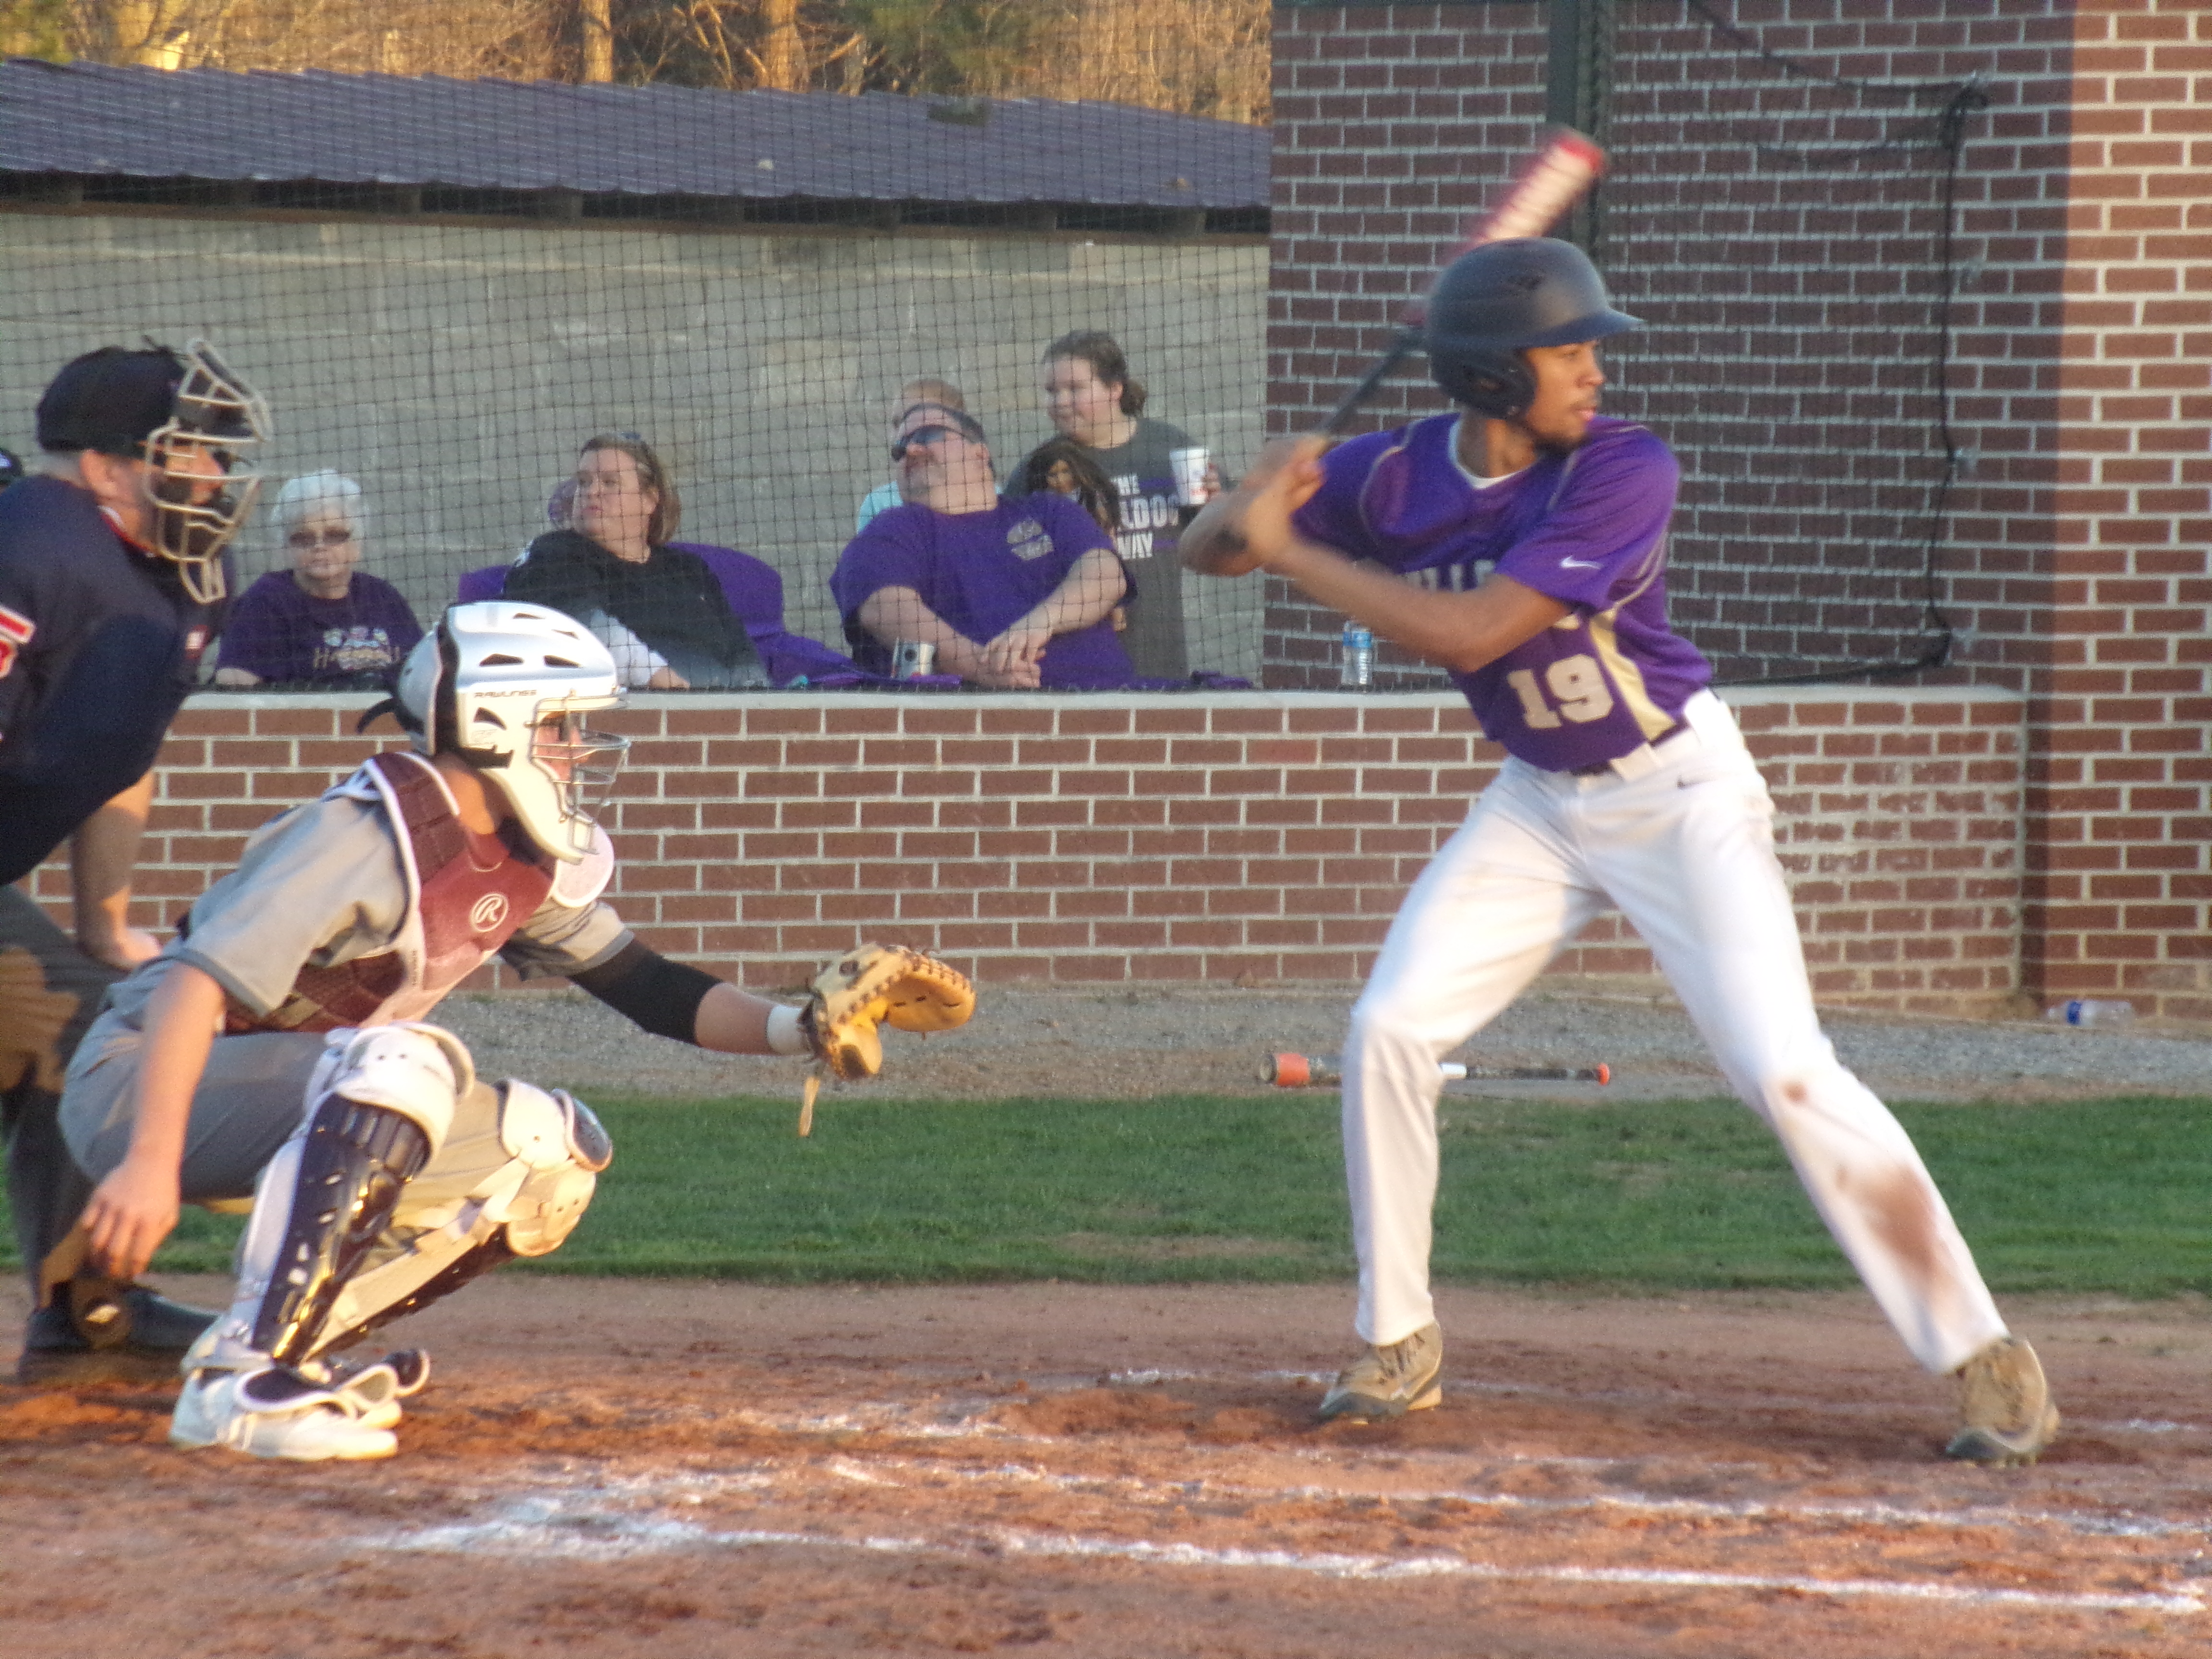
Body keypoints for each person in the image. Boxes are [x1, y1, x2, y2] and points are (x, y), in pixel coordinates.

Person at [1179, 238, 2059, 1468]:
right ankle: (1397, 1338)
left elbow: (1472, 630)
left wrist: (1290, 548)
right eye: (1568, 348)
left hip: (1681, 793)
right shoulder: (1388, 478)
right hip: (1539, 802)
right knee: (1388, 1029)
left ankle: (1981, 1352)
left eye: (1593, 346)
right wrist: (1255, 500)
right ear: (1492, 379)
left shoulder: (1625, 467)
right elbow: (1201, 553)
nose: (1595, 369)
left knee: (1784, 1070)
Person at [56, 601, 948, 1460]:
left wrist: (799, 1029)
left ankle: (272, 1341)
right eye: (561, 726)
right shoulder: (365, 832)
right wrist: (146, 1163)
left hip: (280, 1092)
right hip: (140, 1089)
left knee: (550, 1153)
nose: (579, 748)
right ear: (496, 722)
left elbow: (646, 984)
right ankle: (242, 1385)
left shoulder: (515, 846)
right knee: (412, 1059)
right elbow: (189, 990)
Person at [1, 340, 269, 1384]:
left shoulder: (184, 571)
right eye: (191, 450)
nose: (213, 473)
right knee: (56, 1023)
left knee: (86, 1018)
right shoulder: (32, 546)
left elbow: (117, 760)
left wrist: (107, 926)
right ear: (109, 465)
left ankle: (87, 1316)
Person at [831, 404, 1135, 690]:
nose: (910, 450)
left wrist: (1040, 622)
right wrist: (982, 667)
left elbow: (1106, 576)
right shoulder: (890, 530)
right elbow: (885, 609)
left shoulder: (1048, 511)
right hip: (973, 722)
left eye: (928, 436)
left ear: (980, 452)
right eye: (901, 448)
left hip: (1105, 708)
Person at [1009, 331, 1218, 680]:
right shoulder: (1041, 470)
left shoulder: (1171, 450)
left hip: (1159, 658)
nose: (1060, 401)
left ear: (1115, 388)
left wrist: (1220, 507)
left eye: (1075, 389)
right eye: (1052, 391)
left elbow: (1225, 545)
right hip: (1073, 661)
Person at [505, 434, 768, 690]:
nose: (591, 492)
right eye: (584, 482)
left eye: (610, 483)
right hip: (634, 710)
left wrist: (753, 698)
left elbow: (739, 648)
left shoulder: (688, 569)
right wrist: (662, 682)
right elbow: (579, 632)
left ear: (650, 500)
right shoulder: (554, 554)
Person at [212, 471, 422, 688]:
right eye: (304, 538)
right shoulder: (265, 602)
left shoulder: (383, 598)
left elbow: (420, 673)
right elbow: (233, 685)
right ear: (287, 548)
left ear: (356, 544)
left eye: (334, 535)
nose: (319, 547)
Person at [856, 378, 970, 532]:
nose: (903, 433)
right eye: (897, 423)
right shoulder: (878, 502)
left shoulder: (989, 497)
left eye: (921, 423)